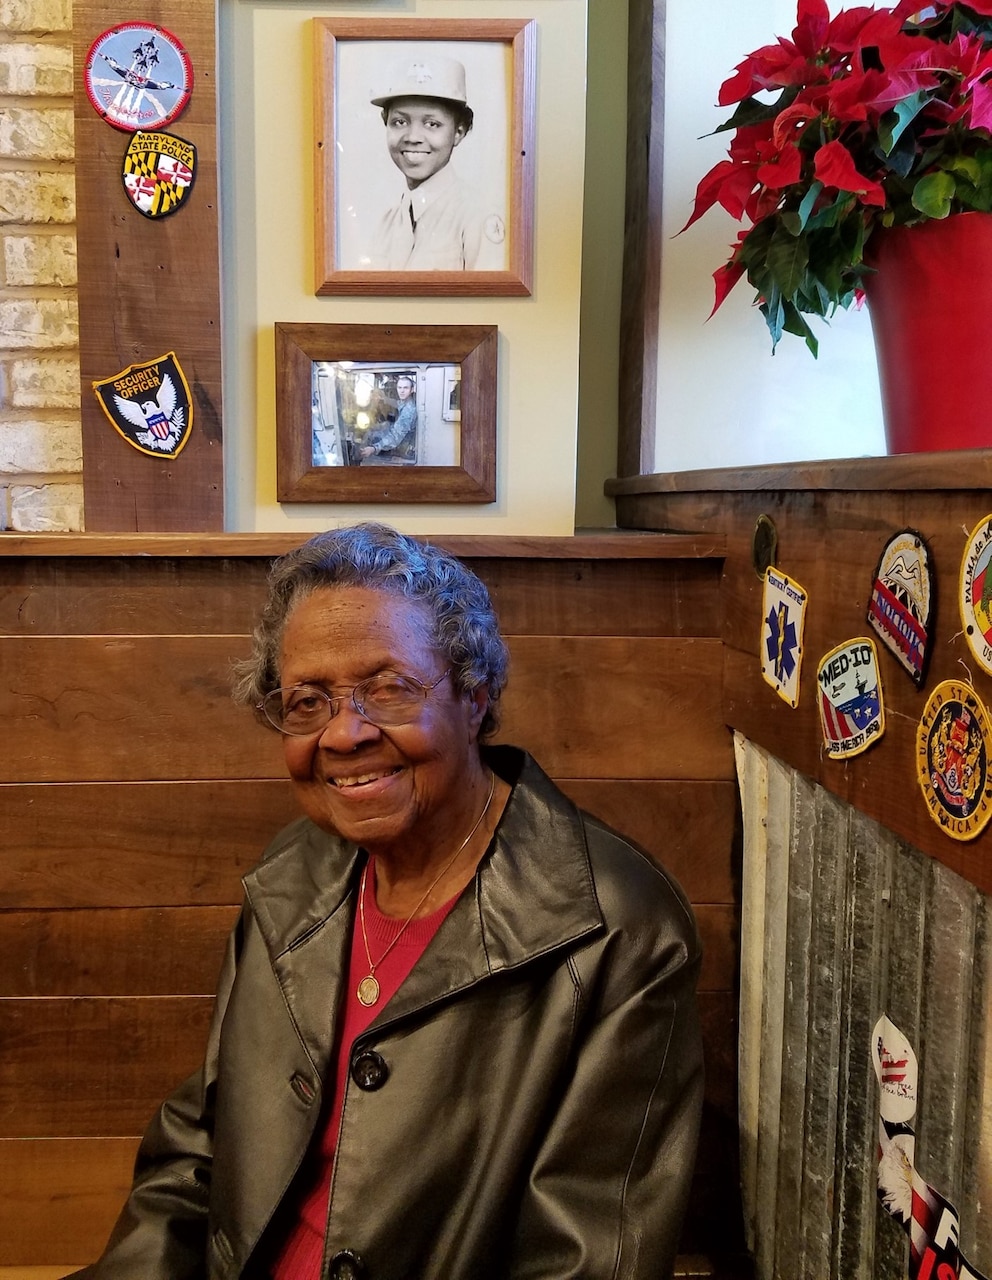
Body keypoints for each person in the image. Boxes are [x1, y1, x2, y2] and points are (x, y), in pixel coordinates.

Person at [71, 523, 703, 1280]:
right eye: (307, 701)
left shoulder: (617, 928)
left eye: (389, 689)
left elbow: (589, 1258)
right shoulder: (291, 874)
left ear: (475, 696)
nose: (343, 734)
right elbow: (200, 1146)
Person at [368, 54, 507, 271]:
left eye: (432, 124)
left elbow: (491, 303)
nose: (413, 137)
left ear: (458, 132)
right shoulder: (388, 221)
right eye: (400, 122)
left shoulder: (478, 216)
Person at [359, 373, 418, 462]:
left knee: (372, 438)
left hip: (403, 447)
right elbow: (398, 404)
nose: (402, 391)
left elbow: (395, 437)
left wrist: (374, 448)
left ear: (412, 389)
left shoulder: (409, 411)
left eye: (405, 388)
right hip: (401, 439)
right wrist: (385, 399)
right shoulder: (407, 402)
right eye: (399, 388)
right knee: (376, 429)